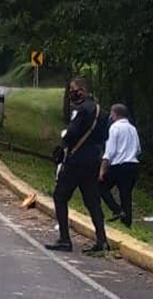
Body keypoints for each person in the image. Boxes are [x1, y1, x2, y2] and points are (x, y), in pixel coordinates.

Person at [46, 76, 110, 254]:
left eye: (73, 90)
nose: (71, 93)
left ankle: (65, 239)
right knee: (92, 201)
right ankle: (101, 240)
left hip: (76, 161)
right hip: (93, 161)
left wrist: (64, 139)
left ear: (81, 90)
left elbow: (71, 133)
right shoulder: (101, 111)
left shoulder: (81, 109)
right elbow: (105, 136)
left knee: (60, 196)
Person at [99, 103, 141, 227]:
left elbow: (110, 151)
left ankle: (116, 210)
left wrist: (102, 169)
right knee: (126, 194)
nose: (110, 116)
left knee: (101, 187)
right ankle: (127, 222)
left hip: (119, 165)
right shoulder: (132, 128)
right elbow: (138, 149)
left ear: (115, 114)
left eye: (112, 113)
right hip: (133, 165)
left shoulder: (115, 128)